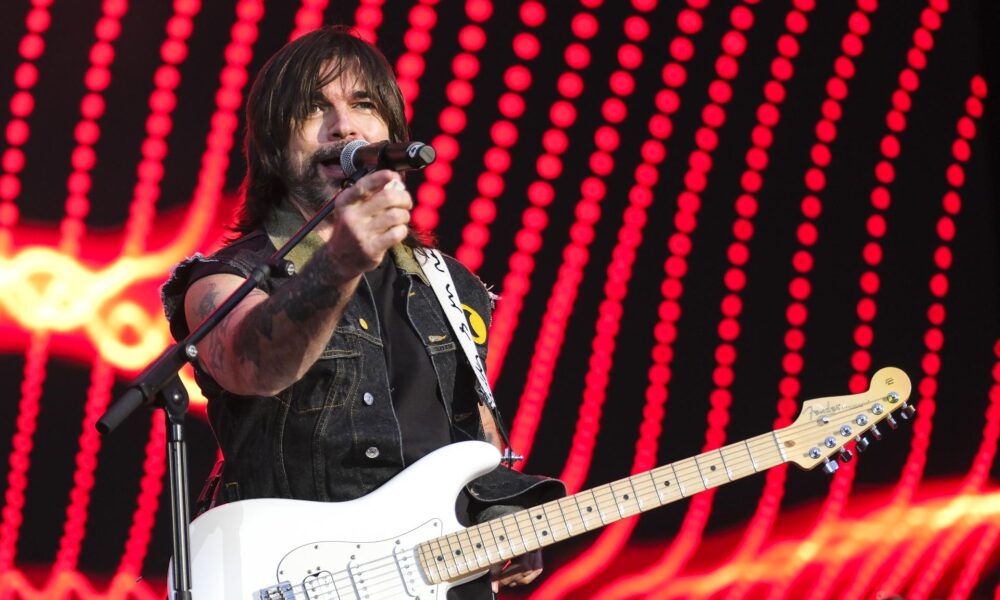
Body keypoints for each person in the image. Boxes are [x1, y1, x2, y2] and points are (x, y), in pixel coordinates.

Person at [160, 25, 564, 598]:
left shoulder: (453, 285)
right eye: (315, 108)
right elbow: (254, 364)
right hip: (286, 579)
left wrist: (502, 515)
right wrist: (339, 261)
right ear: (275, 142)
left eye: (363, 105)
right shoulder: (226, 278)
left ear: (391, 133)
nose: (343, 125)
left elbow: (479, 439)